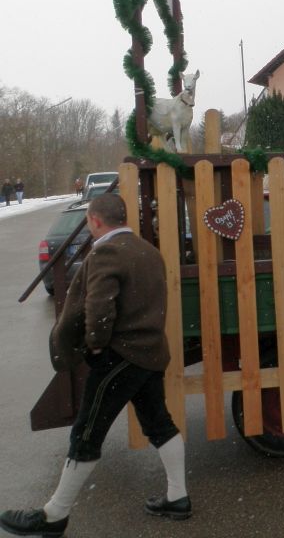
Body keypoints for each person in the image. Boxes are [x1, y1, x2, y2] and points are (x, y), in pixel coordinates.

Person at [0, 194, 189, 536]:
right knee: (159, 424)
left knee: (86, 433)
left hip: (120, 357)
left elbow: (99, 308)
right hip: (150, 353)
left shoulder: (106, 252)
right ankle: (178, 497)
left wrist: (96, 345)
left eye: (89, 219)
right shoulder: (149, 251)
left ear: (95, 220)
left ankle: (54, 516)